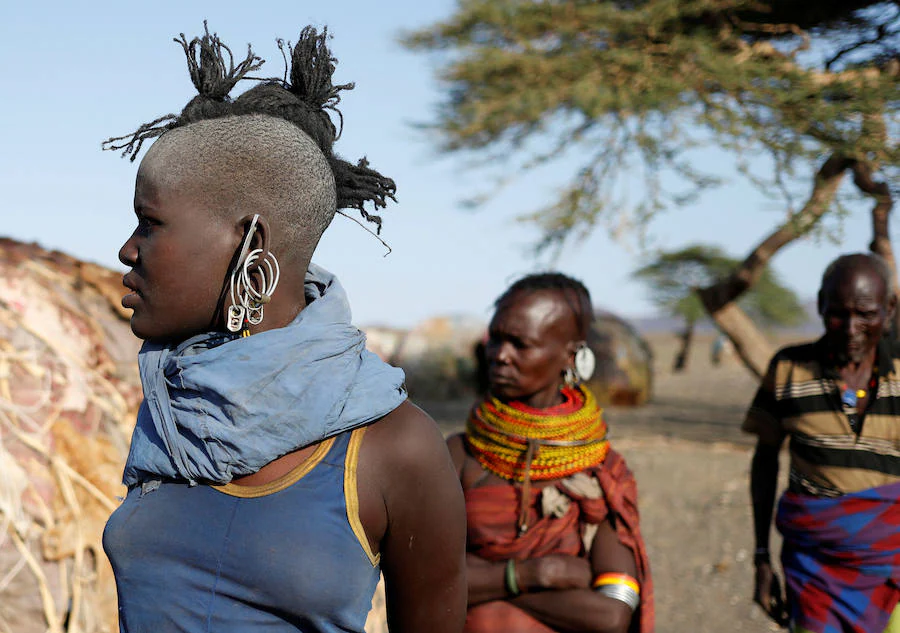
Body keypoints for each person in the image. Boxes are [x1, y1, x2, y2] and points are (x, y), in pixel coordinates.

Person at [99, 25, 467, 633]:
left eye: (150, 223)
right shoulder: (173, 408)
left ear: (250, 242)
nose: (126, 250)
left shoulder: (394, 448)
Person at [447, 273, 653, 633]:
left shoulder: (600, 472)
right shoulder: (459, 455)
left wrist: (484, 580)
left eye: (520, 344)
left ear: (570, 355)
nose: (500, 356)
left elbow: (612, 616)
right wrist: (537, 573)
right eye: (495, 339)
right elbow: (427, 581)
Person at [745, 253, 900, 633]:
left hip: (892, 568)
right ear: (819, 305)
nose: (850, 328)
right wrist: (762, 557)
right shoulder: (788, 368)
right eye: (837, 313)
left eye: (866, 314)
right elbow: (765, 462)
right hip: (815, 573)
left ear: (890, 309)